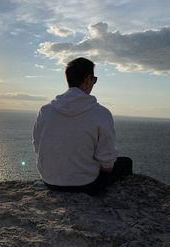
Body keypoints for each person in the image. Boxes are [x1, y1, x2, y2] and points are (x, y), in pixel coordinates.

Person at [33, 57, 132, 195]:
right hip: (85, 185)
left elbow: (37, 145)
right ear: (87, 79)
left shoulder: (45, 110)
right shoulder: (101, 113)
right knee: (126, 163)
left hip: (50, 181)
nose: (93, 84)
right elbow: (107, 163)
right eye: (94, 79)